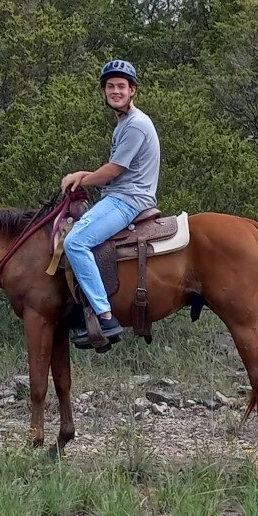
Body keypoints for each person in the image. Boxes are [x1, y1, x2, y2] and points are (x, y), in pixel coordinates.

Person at [61, 59, 161, 346]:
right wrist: (86, 175)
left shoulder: (136, 125)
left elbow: (115, 170)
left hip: (128, 200)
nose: (115, 91)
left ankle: (105, 318)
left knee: (76, 242)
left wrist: (82, 178)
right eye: (110, 86)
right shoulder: (125, 124)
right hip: (121, 196)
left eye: (121, 86)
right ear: (104, 92)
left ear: (133, 91)